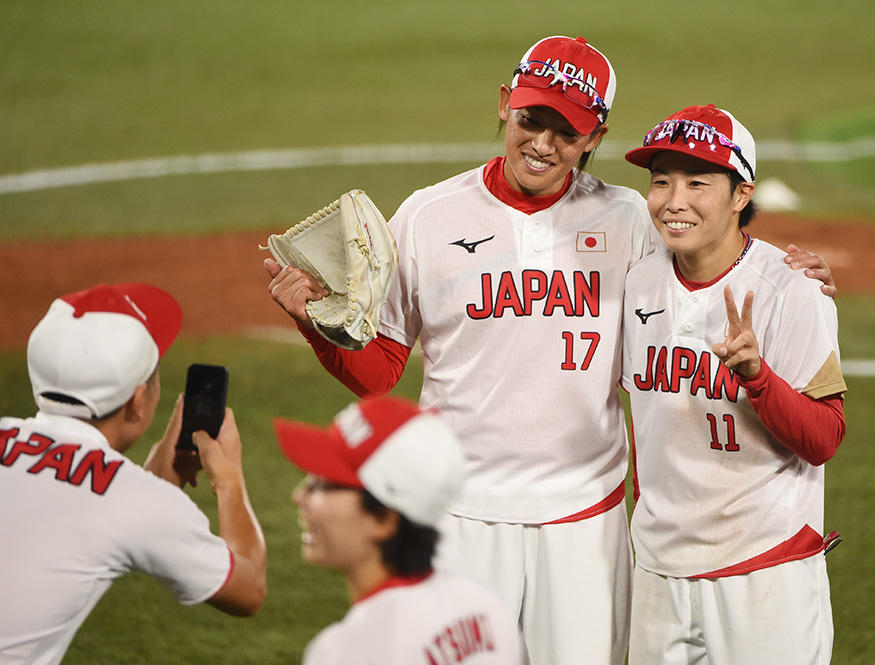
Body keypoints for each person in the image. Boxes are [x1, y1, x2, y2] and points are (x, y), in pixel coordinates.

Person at [265, 36, 836, 665]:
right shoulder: (428, 216)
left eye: (565, 132)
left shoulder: (628, 220)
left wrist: (789, 270)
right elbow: (380, 374)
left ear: (594, 138)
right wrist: (314, 324)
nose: (542, 143)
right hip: (461, 513)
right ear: (506, 104)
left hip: (585, 518)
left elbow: (709, 238)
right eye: (531, 119)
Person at [620, 104, 848, 665]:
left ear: (741, 194)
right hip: (657, 572)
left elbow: (823, 438)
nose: (675, 200)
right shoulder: (637, 281)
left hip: (764, 573)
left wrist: (757, 377)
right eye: (661, 181)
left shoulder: (791, 290)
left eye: (699, 182)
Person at [0, 282, 267, 665]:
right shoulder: (134, 501)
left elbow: (79, 504)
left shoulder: (131, 499)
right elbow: (248, 588)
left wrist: (156, 475)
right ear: (138, 401)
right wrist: (229, 480)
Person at [275, 395, 521, 665]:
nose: (299, 496)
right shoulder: (486, 608)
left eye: (323, 485)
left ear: (384, 520)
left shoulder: (347, 651)